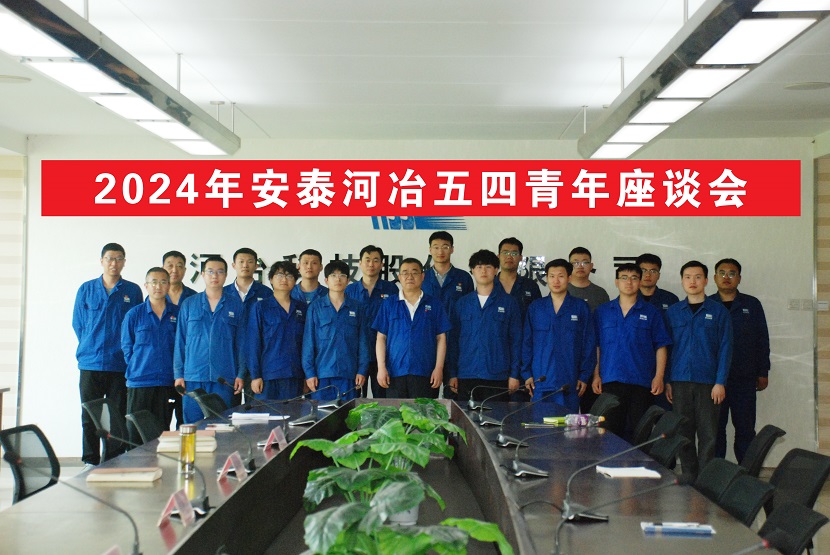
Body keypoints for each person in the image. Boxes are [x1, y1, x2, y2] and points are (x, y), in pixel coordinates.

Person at [72, 243, 143, 468]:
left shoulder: (132, 291)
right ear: (102, 261)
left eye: (119, 258)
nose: (114, 263)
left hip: (119, 364)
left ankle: (114, 459)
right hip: (90, 363)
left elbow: (135, 326)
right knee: (89, 415)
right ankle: (90, 460)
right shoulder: (86, 289)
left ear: (124, 262)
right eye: (110, 258)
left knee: (117, 416)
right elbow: (78, 324)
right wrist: (90, 345)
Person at [665, 260, 733, 479]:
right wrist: (667, 381)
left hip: (708, 383)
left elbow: (725, 348)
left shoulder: (719, 312)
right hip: (679, 381)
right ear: (682, 281)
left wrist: (720, 382)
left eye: (697, 277)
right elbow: (666, 349)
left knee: (708, 434)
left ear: (705, 280)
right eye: (687, 277)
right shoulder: (673, 312)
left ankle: (705, 480)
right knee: (683, 432)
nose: (692, 281)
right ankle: (689, 476)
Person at [592, 264, 671, 440]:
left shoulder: (652, 312)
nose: (629, 282)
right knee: (610, 433)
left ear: (640, 282)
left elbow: (661, 346)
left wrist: (659, 377)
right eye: (624, 278)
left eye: (634, 278)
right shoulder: (602, 312)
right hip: (611, 380)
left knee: (639, 433)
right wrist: (596, 375)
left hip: (641, 382)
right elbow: (597, 346)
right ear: (616, 282)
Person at [710, 258, 770, 463]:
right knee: (715, 430)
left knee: (745, 429)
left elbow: (762, 339)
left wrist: (763, 371)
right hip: (713, 379)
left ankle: (746, 473)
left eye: (732, 273)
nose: (726, 277)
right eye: (722, 273)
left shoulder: (751, 304)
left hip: (744, 378)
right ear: (715, 277)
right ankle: (716, 472)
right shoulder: (708, 304)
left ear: (739, 278)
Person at [174, 256, 245, 423]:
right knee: (193, 426)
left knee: (223, 426)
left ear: (226, 275)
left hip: (224, 378)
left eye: (220, 272)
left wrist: (241, 374)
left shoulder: (236, 305)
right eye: (210, 272)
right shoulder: (189, 304)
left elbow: (242, 344)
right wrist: (178, 374)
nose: (215, 276)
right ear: (203, 274)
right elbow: (180, 341)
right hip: (193, 377)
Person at [447, 250, 522, 403]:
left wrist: (514, 374)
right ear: (472, 271)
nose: (483, 271)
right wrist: (452, 373)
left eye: (488, 267)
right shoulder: (462, 304)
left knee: (496, 416)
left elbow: (516, 341)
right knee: (466, 416)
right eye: (479, 267)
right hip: (466, 374)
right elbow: (453, 341)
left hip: (497, 375)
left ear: (496, 270)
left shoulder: (509, 303)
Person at [521, 259, 596, 412]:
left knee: (567, 425)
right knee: (539, 425)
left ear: (569, 278)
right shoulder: (536, 307)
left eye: (561, 276)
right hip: (540, 381)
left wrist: (584, 375)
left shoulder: (580, 308)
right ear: (546, 278)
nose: (556, 281)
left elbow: (589, 344)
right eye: (552, 276)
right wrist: (526, 374)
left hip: (569, 382)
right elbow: (527, 343)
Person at [374, 257, 452, 399]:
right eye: (405, 273)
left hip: (425, 373)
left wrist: (438, 368)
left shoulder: (435, 304)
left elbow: (441, 338)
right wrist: (381, 367)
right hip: (395, 373)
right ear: (399, 277)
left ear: (422, 276)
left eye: (414, 272)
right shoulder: (389, 304)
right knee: (396, 413)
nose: (409, 277)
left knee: (423, 413)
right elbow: (381, 337)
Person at [121, 267, 178, 443]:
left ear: (168, 285)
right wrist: (138, 365)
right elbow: (127, 346)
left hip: (166, 382)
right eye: (154, 282)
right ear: (146, 285)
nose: (158, 286)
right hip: (140, 382)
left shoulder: (177, 313)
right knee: (135, 435)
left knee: (161, 434)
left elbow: (182, 346)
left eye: (163, 282)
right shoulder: (134, 314)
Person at [302, 260, 370, 401]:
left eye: (342, 275)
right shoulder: (315, 308)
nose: (338, 279)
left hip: (349, 374)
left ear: (348, 280)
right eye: (333, 275)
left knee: (348, 413)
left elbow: (363, 343)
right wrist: (309, 373)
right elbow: (308, 343)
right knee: (321, 413)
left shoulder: (357, 308)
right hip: (322, 375)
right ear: (326, 280)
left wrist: (362, 370)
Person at [421, 231, 473, 398]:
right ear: (430, 250)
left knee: (455, 400)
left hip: (456, 343)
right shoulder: (422, 277)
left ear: (452, 249)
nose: (440, 251)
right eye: (436, 247)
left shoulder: (463, 278)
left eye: (445, 247)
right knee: (425, 400)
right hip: (428, 343)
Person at [345, 245, 399, 398]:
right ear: (360, 263)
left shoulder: (391, 290)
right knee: (353, 401)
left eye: (375, 260)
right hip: (356, 356)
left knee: (382, 401)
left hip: (384, 356)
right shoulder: (349, 290)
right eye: (367, 260)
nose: (371, 264)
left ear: (382, 264)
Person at [247, 261, 307, 401]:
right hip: (268, 375)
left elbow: (307, 344)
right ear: (271, 279)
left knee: (293, 412)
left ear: (295, 281)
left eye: (289, 276)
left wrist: (307, 375)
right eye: (279, 275)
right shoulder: (260, 307)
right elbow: (253, 343)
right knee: (266, 413)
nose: (284, 279)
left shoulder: (302, 308)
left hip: (294, 374)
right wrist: (255, 376)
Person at [225, 247, 272, 401]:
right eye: (241, 261)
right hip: (230, 361)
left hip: (257, 362)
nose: (245, 265)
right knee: (228, 410)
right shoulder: (223, 293)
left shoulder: (266, 293)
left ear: (256, 266)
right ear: (233, 265)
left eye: (250, 262)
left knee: (256, 409)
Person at [568, 247, 610, 412]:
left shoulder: (600, 294)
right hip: (569, 360)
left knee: (591, 415)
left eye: (585, 262)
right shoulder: (563, 289)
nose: (580, 266)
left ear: (591, 266)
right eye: (575, 262)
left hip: (594, 361)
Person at [162, 250, 196, 427]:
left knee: (185, 420)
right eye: (170, 265)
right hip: (162, 368)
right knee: (161, 420)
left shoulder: (194, 298)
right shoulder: (155, 297)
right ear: (163, 268)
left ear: (185, 270)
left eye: (179, 266)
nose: (174, 270)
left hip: (187, 368)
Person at [495, 236, 541, 319]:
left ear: (520, 257)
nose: (509, 257)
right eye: (505, 253)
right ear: (498, 256)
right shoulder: (489, 285)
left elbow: (537, 316)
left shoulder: (531, 286)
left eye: (514, 253)